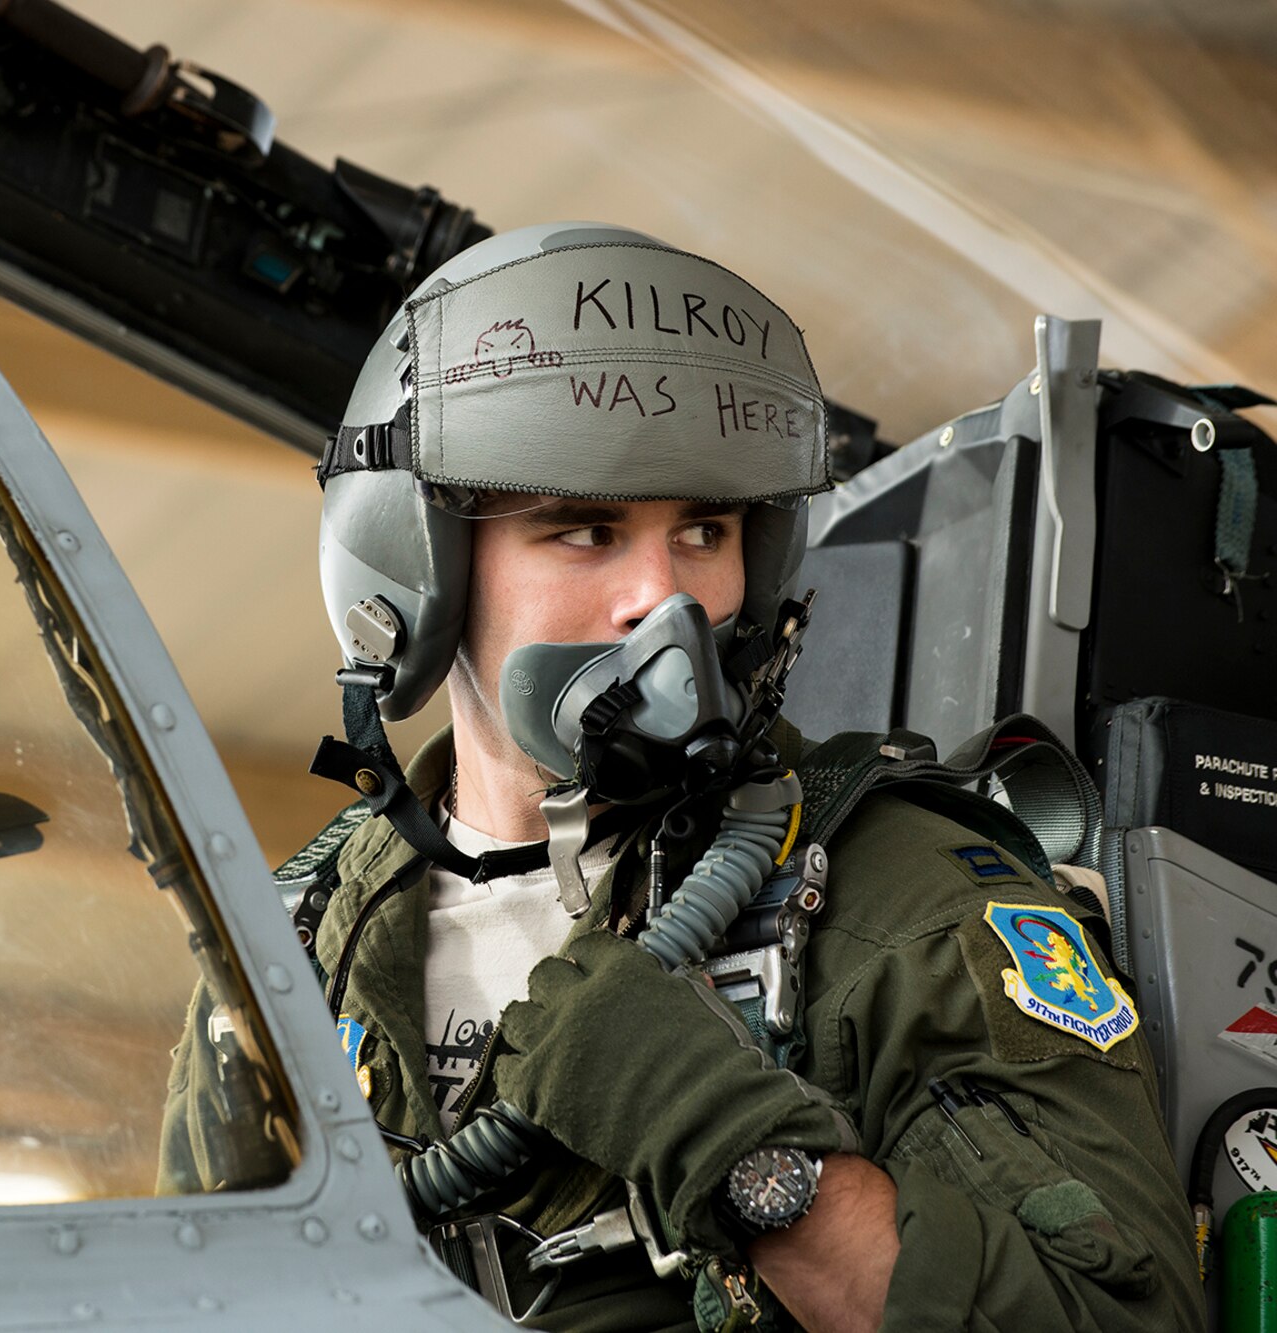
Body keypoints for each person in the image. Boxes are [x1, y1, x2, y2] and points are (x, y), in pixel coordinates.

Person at [160, 223, 1201, 1331]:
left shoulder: (909, 905)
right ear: (422, 568)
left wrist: (738, 1148)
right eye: (585, 530)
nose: (661, 602)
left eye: (703, 530)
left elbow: (1116, 1315)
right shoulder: (297, 943)